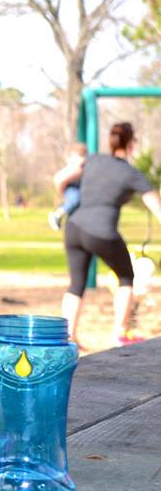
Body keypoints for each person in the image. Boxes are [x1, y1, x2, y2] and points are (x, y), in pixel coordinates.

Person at [62, 122, 161, 348]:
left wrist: (63, 203)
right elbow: (156, 207)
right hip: (102, 231)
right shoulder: (132, 173)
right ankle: (119, 334)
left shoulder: (93, 160)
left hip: (74, 227)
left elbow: (62, 178)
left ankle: (67, 338)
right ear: (132, 144)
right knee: (126, 277)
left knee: (76, 284)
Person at [48, 142, 87, 231]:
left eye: (84, 156)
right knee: (75, 198)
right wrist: (61, 194)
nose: (83, 159)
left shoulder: (82, 167)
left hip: (77, 189)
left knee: (76, 203)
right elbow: (59, 180)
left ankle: (67, 221)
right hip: (70, 189)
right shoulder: (73, 168)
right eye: (80, 156)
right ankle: (57, 215)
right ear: (71, 158)